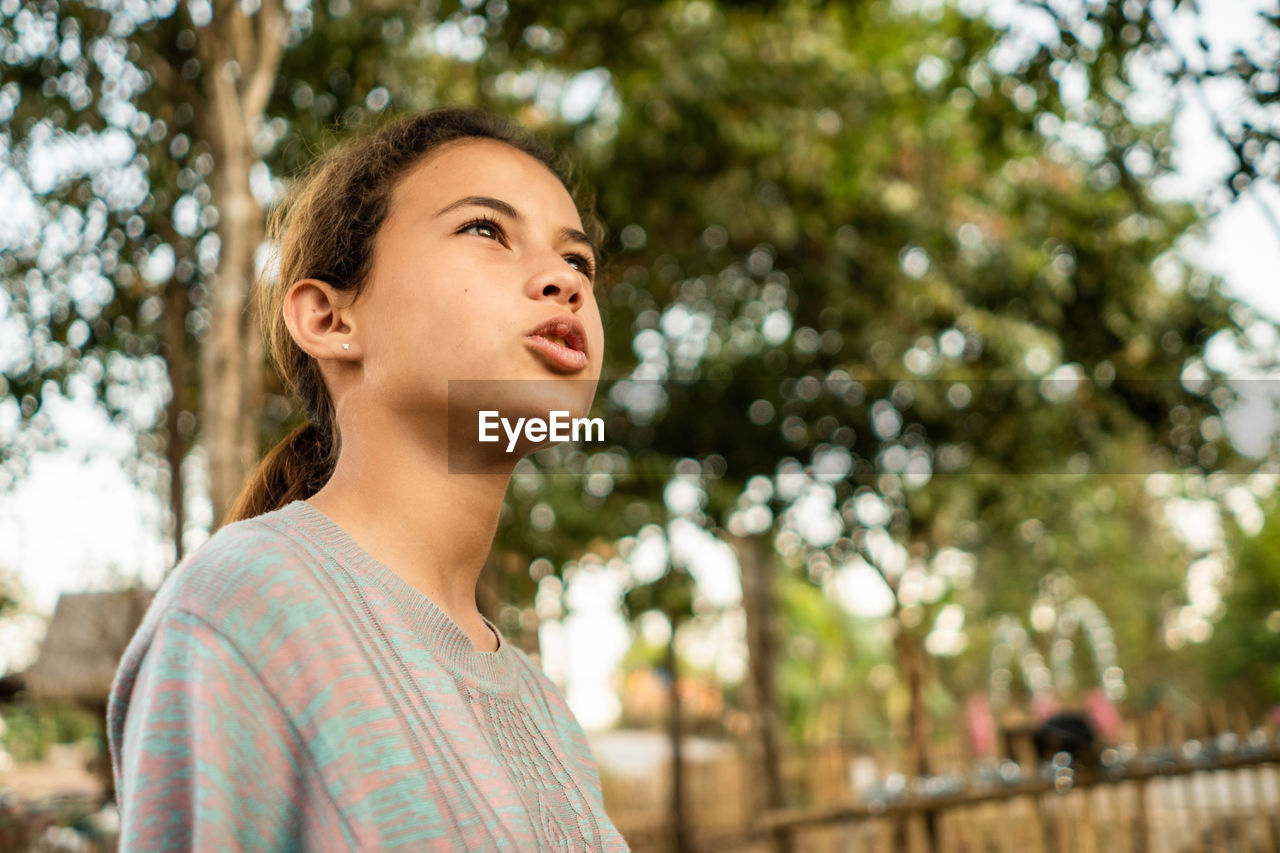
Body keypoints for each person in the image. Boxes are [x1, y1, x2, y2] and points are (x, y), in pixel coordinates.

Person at [107, 107, 630, 851]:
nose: (564, 282)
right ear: (328, 319)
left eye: (578, 260)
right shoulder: (246, 607)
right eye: (486, 228)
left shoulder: (552, 717)